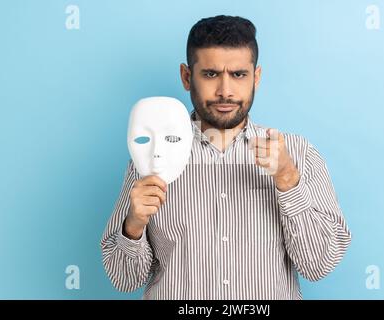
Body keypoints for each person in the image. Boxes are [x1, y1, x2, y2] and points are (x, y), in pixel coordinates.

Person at [101, 15, 351, 300]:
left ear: (256, 77)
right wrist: (133, 226)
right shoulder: (150, 158)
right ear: (186, 77)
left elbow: (318, 266)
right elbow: (124, 280)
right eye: (210, 74)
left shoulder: (298, 155)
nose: (225, 91)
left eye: (238, 74)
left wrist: (287, 180)